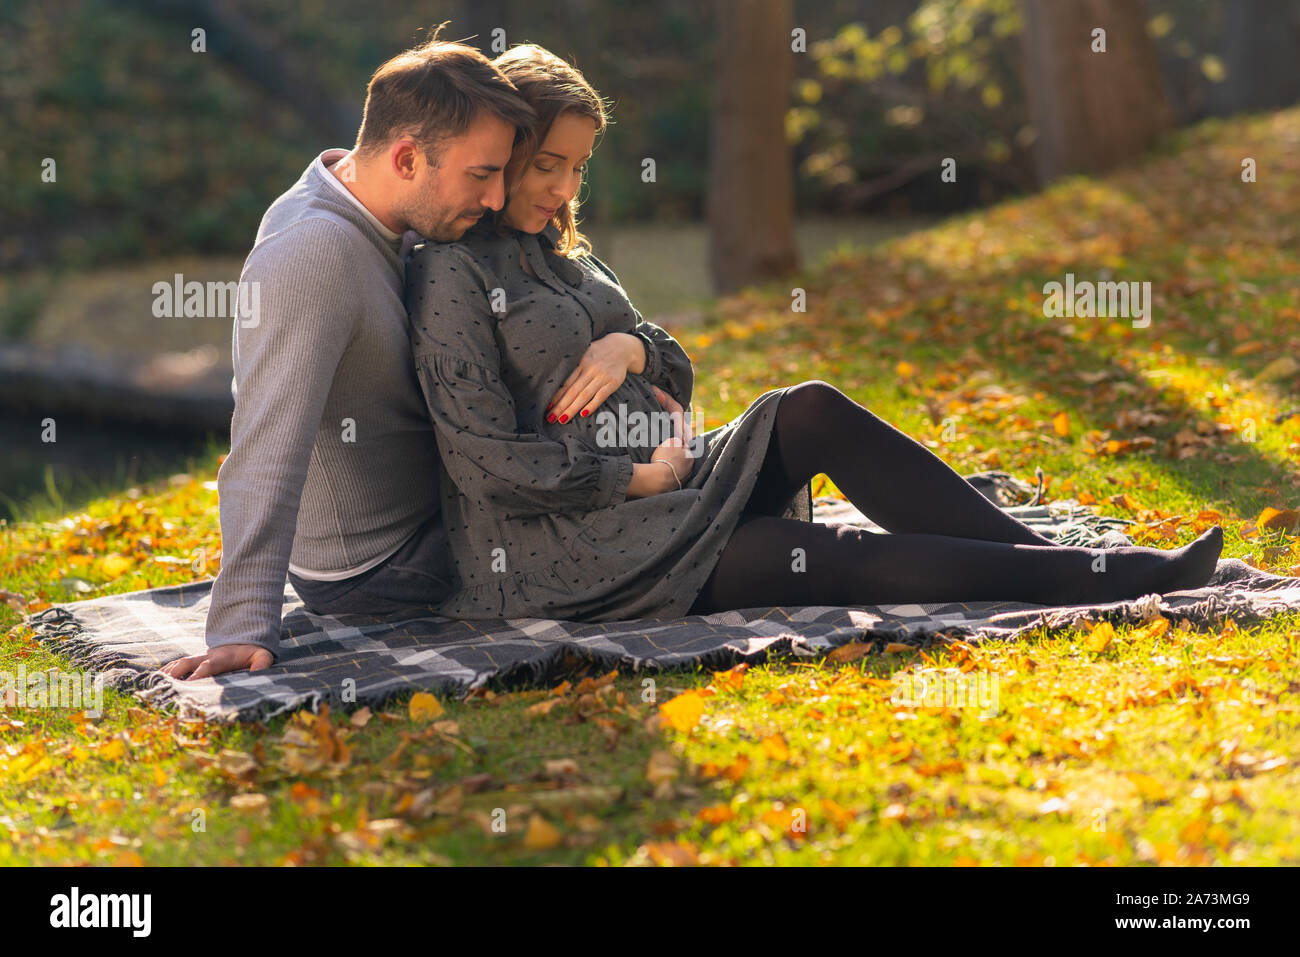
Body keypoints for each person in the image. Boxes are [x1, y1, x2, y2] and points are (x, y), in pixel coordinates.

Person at [404, 43, 1224, 624]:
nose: (563, 184)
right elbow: (484, 461)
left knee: (811, 408)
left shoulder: (560, 248)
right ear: (505, 149)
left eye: (578, 166)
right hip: (566, 550)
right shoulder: (455, 272)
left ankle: (1062, 563)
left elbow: (674, 364)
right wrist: (631, 482)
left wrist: (634, 349)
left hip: (674, 484)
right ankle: (1114, 581)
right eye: (547, 162)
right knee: (815, 553)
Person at [161, 26, 541, 681]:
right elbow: (266, 440)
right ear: (404, 159)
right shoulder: (313, 254)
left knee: (655, 481)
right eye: (481, 175)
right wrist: (242, 624)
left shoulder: (366, 202)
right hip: (383, 563)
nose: (497, 199)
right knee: (625, 534)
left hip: (442, 507)